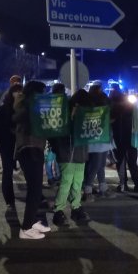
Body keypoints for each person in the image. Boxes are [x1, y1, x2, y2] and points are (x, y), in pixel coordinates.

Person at [13, 80, 52, 239]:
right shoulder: (24, 104)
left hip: (36, 148)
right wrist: (33, 106)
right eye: (42, 91)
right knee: (35, 190)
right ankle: (26, 228)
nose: (44, 94)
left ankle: (33, 220)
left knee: (36, 189)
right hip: (28, 149)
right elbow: (16, 118)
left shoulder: (32, 104)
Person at [48, 89, 90, 227]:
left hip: (80, 153)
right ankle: (58, 210)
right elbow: (59, 131)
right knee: (66, 182)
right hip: (67, 153)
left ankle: (76, 207)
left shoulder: (84, 114)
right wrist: (72, 117)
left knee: (77, 182)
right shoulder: (65, 113)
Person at [82, 81, 116, 201]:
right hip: (97, 139)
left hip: (101, 138)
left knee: (100, 165)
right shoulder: (98, 102)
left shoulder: (93, 101)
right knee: (95, 165)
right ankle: (88, 190)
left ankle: (103, 188)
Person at [0, 83, 22, 209]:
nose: (18, 94)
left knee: (29, 172)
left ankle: (36, 197)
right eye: (16, 91)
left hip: (22, 145)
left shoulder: (24, 108)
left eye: (20, 92)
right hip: (7, 146)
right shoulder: (2, 110)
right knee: (7, 172)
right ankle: (9, 200)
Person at [109, 83, 138, 193]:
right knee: (132, 162)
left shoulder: (112, 105)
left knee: (121, 161)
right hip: (130, 137)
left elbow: (111, 121)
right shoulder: (130, 105)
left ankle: (123, 184)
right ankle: (137, 184)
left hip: (119, 137)